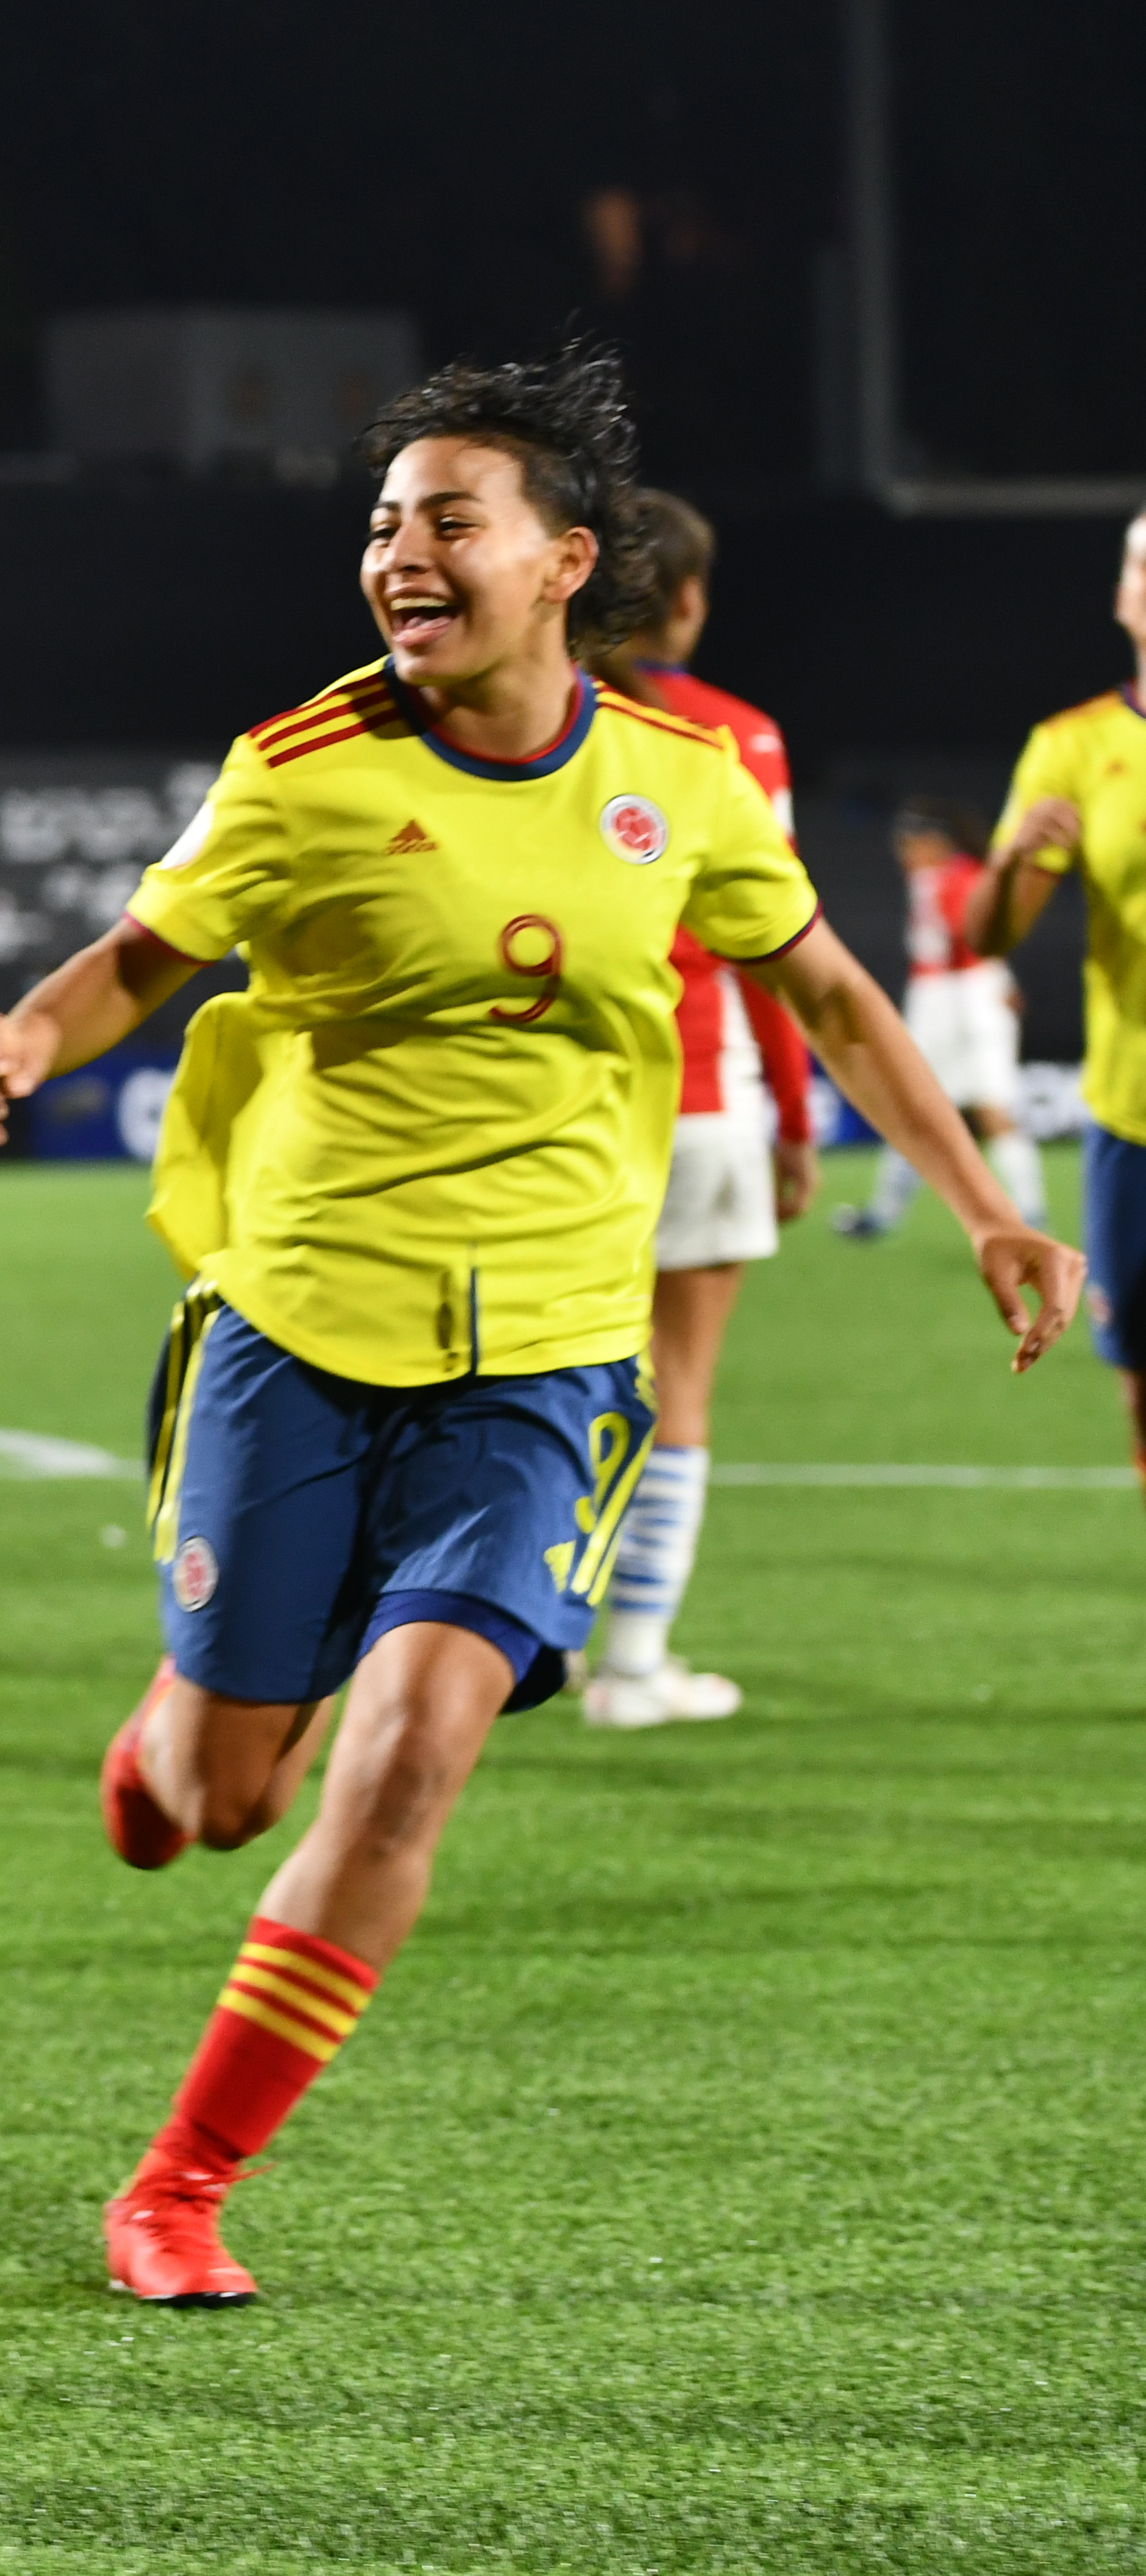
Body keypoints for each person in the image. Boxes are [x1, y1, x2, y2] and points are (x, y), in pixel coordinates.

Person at [0, 348, 1079, 2311]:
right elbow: (138, 955)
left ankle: (180, 2188)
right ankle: (178, 1738)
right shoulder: (301, 769)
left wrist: (983, 1204)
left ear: (565, 562)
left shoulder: (682, 788)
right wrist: (23, 1036)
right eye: (383, 523)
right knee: (220, 1803)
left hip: (547, 1359)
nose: (400, 554)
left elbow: (831, 994)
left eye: (447, 520)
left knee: (409, 1758)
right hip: (301, 1327)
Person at [581, 489, 818, 1728]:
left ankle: (511, 1636)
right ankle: (632, 1667)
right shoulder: (738, 739)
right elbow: (776, 951)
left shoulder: (530, 720)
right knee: (675, 1384)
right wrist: (795, 1120)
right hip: (696, 1096)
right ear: (684, 599)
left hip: (552, 1112)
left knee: (531, 1382)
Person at [964, 507, 1146, 1493]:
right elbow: (990, 935)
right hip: (1132, 1115)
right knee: (1140, 1381)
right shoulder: (1073, 745)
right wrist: (1009, 860)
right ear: (1123, 596)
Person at [847, 802, 1043, 1237]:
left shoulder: (961, 876)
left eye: (910, 843)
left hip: (965, 997)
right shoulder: (935, 878)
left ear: (936, 842)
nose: (904, 853)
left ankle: (1030, 1213)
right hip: (946, 996)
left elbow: (972, 938)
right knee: (916, 1108)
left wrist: (999, 981)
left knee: (988, 1107)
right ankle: (883, 1213)